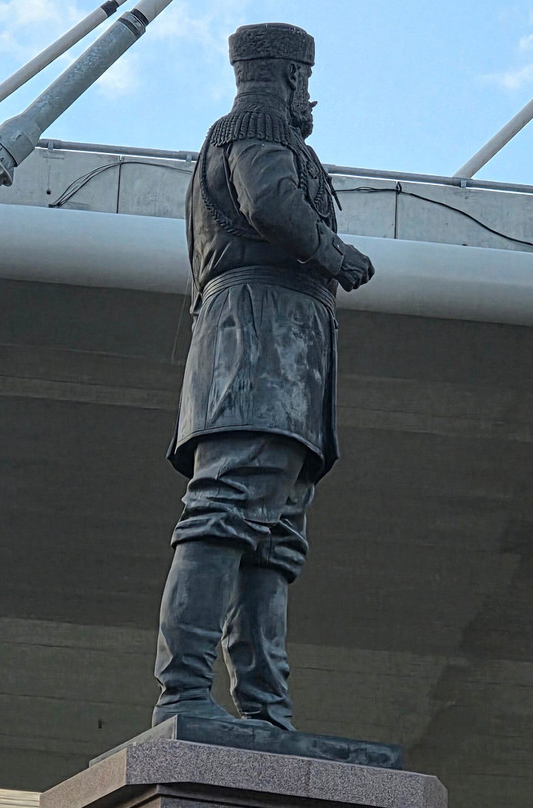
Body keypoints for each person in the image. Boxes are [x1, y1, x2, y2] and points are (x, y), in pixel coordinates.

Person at [153, 22, 375, 732]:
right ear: (286, 79)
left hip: (286, 360)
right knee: (224, 515)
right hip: (253, 348)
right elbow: (270, 204)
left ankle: (265, 712)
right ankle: (184, 693)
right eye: (303, 81)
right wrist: (334, 252)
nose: (309, 96)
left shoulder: (270, 136)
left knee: (273, 537)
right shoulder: (251, 130)